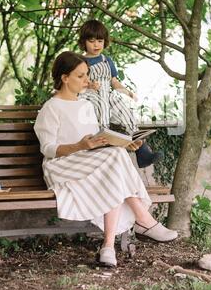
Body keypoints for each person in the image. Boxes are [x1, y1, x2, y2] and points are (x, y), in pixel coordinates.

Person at [34, 51, 178, 268]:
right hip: (62, 166)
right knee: (114, 163)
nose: (87, 81)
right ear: (65, 78)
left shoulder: (86, 105)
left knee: (116, 158)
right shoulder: (50, 108)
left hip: (91, 163)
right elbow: (48, 149)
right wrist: (80, 146)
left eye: (87, 75)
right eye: (81, 76)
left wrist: (122, 144)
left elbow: (97, 141)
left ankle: (109, 246)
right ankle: (144, 220)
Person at [78, 19, 163, 168]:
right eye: (91, 41)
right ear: (84, 42)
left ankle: (142, 152)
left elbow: (114, 82)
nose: (96, 45)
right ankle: (101, 146)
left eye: (100, 41)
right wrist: (89, 84)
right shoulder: (80, 61)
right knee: (102, 107)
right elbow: (78, 82)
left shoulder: (107, 60)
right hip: (89, 95)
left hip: (107, 93)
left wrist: (126, 91)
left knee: (124, 110)